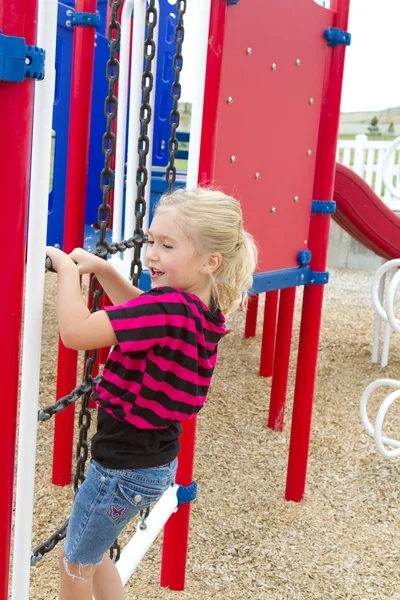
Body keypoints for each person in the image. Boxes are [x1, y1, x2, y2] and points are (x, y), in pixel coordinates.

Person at [45, 186, 257, 600]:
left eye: (167, 245)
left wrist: (68, 274)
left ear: (209, 260)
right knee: (91, 552)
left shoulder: (169, 309)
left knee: (73, 565)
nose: (152, 254)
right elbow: (140, 311)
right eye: (152, 242)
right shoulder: (197, 305)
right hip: (151, 463)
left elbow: (75, 333)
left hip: (119, 468)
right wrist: (105, 271)